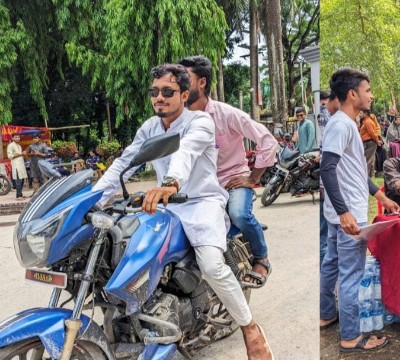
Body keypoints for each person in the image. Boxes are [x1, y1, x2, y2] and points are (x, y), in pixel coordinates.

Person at [92, 63, 272, 359]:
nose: (159, 97)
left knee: (212, 265)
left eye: (167, 91)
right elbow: (125, 162)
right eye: (154, 92)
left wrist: (170, 183)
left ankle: (249, 327)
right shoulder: (149, 127)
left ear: (185, 94)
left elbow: (186, 151)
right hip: (166, 207)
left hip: (201, 203)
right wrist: (94, 197)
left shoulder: (200, 122)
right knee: (127, 252)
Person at [177, 55, 278, 290]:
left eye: (185, 79)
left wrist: (253, 178)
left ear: (201, 83)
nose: (179, 85)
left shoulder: (226, 114)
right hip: (199, 187)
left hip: (232, 179)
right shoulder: (179, 119)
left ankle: (261, 257)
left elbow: (267, 140)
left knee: (239, 214)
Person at [319, 68, 399, 352]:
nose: (371, 95)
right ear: (352, 94)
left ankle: (326, 314)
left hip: (339, 212)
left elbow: (352, 171)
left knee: (330, 264)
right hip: (347, 215)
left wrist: (381, 195)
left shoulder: (347, 123)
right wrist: (344, 212)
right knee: (350, 273)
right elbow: (327, 169)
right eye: (368, 90)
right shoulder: (342, 125)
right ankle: (351, 336)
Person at [319, 91, 340, 263]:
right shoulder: (334, 121)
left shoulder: (337, 120)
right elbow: (327, 167)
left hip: (328, 186)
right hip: (328, 186)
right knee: (325, 236)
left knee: (327, 237)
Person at [359, 110, 383, 178]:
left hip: (370, 142)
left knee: (368, 161)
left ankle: (366, 177)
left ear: (365, 113)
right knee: (371, 161)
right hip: (368, 142)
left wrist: (377, 140)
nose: (359, 115)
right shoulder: (365, 121)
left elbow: (372, 133)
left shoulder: (368, 121)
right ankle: (371, 177)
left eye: (361, 113)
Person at [7, 133, 27, 199]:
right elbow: (10, 156)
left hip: (21, 165)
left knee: (22, 180)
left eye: (18, 137)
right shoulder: (10, 145)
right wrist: (20, 154)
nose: (18, 138)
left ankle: (20, 194)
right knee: (18, 181)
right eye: (16, 137)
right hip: (16, 166)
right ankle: (18, 196)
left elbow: (19, 155)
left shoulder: (19, 146)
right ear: (12, 138)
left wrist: (23, 154)